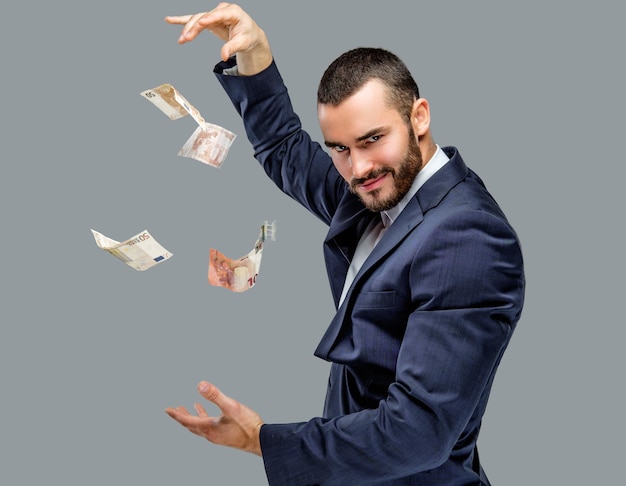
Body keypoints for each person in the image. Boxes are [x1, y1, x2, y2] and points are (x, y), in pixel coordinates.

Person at [164, 4, 525, 485]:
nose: (357, 168)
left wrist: (259, 440)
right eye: (339, 148)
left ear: (419, 116)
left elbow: (418, 433)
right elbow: (286, 150)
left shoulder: (468, 238)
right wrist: (256, 55)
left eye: (373, 139)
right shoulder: (376, 194)